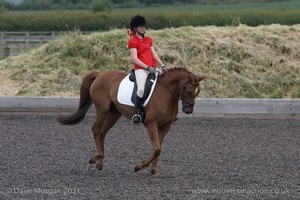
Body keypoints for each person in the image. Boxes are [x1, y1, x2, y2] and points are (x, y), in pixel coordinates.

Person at [128, 15, 166, 125]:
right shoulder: (133, 42)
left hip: (153, 68)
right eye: (141, 26)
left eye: (144, 26)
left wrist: (162, 65)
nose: (143, 28)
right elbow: (135, 59)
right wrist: (147, 67)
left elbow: (154, 54)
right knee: (140, 89)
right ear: (135, 28)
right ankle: (137, 113)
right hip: (142, 69)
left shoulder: (148, 39)